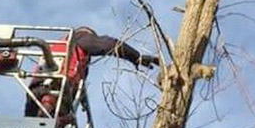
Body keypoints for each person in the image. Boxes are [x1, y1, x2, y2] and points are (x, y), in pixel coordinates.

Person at [24, 26, 159, 119]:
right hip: (57, 88)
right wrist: (136, 56)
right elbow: (110, 45)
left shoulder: (56, 48)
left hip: (35, 91)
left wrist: (82, 100)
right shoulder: (80, 39)